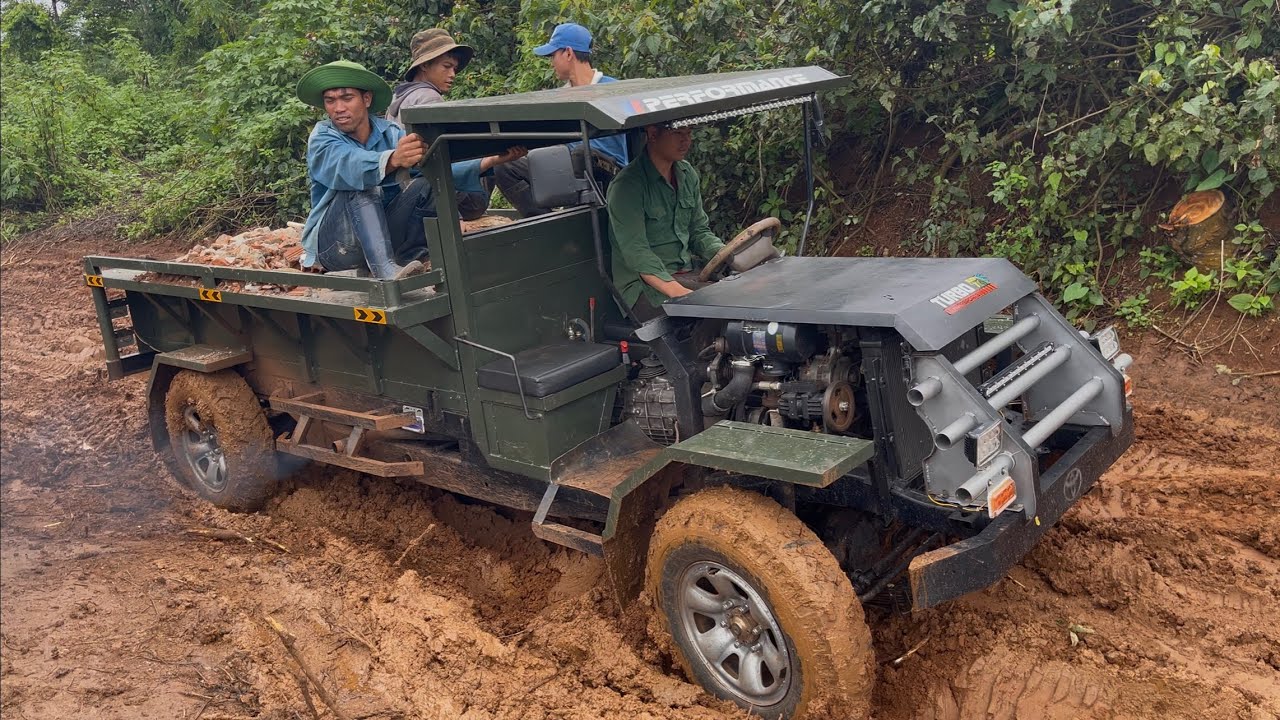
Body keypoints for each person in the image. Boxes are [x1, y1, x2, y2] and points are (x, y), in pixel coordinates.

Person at [296, 60, 523, 278]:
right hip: (337, 247)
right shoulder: (323, 136)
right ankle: (386, 271)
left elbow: (432, 167)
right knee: (362, 184)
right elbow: (350, 165)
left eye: (347, 98)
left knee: (427, 183)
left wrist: (489, 160)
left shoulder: (391, 132)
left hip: (384, 236)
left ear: (366, 99)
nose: (338, 108)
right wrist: (393, 159)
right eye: (330, 100)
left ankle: (410, 258)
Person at [494, 22, 629, 217]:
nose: (551, 63)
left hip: (610, 172)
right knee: (505, 166)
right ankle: (548, 223)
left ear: (568, 53)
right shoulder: (558, 98)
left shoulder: (614, 90)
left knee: (581, 155)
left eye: (552, 55)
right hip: (565, 167)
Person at [606, 123, 725, 321]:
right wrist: (679, 293)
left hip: (688, 274)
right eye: (677, 132)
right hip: (644, 289)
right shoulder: (627, 186)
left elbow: (699, 231)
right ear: (653, 134)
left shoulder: (687, 174)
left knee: (741, 294)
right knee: (718, 308)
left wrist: (728, 255)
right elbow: (637, 253)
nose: (686, 140)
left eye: (688, 133)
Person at [387, 28, 492, 221]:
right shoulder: (429, 97)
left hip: (406, 189)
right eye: (446, 66)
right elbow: (438, 158)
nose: (452, 74)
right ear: (425, 65)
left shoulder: (399, 96)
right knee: (493, 161)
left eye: (454, 68)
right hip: (429, 190)